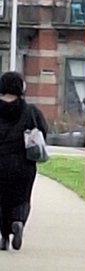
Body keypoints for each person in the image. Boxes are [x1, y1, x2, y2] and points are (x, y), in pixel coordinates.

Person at [0, 71, 49, 252]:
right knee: (22, 198)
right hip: (24, 163)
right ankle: (18, 221)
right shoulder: (30, 111)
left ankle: (4, 236)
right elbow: (43, 131)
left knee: (2, 200)